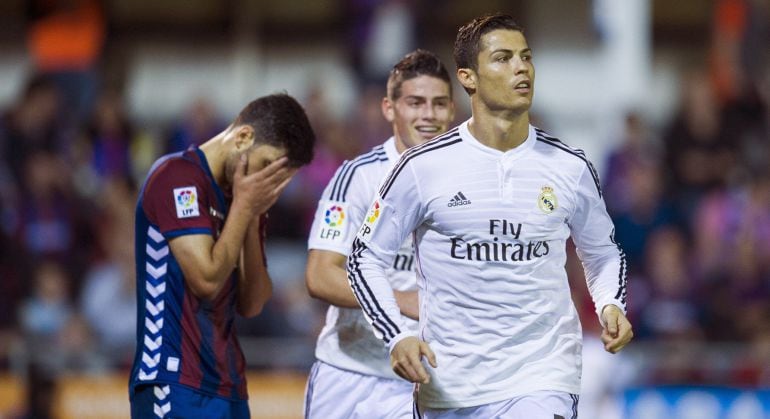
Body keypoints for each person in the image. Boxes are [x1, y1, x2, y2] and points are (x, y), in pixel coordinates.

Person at [347, 13, 633, 418]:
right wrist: (396, 335)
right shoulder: (422, 167)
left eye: (526, 57)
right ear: (468, 78)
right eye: (503, 58)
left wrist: (610, 303)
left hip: (543, 377)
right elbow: (365, 257)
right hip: (450, 387)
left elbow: (602, 251)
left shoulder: (570, 167)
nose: (521, 68)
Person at [128, 93, 315, 418]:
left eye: (279, 181)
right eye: (266, 167)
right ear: (243, 137)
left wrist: (252, 214)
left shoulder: (243, 197)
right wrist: (243, 207)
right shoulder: (176, 177)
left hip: (229, 385)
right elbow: (206, 280)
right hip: (172, 380)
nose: (267, 184)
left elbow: (253, 303)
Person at [304, 49, 455, 418]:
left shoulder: (467, 185)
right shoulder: (357, 177)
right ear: (389, 109)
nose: (428, 115)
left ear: (453, 111)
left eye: (439, 104)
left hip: (425, 378)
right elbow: (320, 274)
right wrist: (400, 299)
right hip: (348, 374)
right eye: (415, 102)